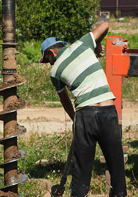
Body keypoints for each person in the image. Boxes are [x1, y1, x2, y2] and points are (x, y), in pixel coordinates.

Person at [40, 21, 127, 197]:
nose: (48, 63)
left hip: (85, 115)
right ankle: (119, 193)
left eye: (47, 59)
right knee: (116, 165)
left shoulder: (54, 72)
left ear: (51, 52)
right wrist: (96, 46)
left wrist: (75, 120)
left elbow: (64, 99)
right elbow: (105, 25)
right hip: (108, 111)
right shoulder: (82, 44)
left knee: (81, 170)